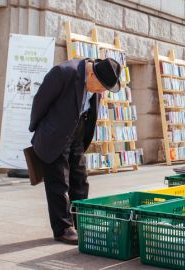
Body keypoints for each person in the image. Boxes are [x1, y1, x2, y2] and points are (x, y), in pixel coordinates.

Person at [29, 58, 121, 244]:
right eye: (101, 87)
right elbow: (40, 101)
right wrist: (39, 130)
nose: (102, 91)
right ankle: (63, 227)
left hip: (77, 131)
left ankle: (81, 221)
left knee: (80, 179)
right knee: (58, 181)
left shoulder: (96, 80)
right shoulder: (63, 73)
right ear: (91, 74)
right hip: (54, 133)